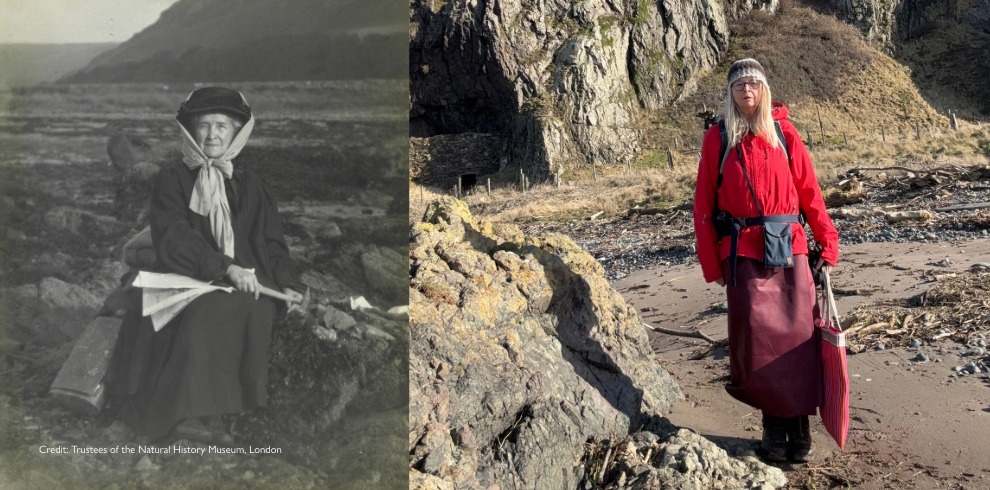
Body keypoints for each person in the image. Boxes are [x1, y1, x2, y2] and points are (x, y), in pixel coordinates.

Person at [107, 87, 303, 445]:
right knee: (207, 308)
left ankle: (223, 412)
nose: (212, 135)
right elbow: (174, 237)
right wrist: (225, 268)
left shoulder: (253, 185)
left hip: (245, 279)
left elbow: (272, 243)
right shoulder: (173, 179)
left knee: (254, 308)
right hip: (185, 274)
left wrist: (287, 282)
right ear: (190, 131)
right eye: (204, 126)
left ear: (236, 132)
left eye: (222, 126)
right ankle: (187, 415)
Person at [692, 59, 839, 463]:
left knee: (799, 343)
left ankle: (800, 430)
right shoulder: (718, 137)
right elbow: (703, 206)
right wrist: (712, 265)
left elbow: (810, 192)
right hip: (741, 253)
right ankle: (774, 430)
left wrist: (827, 243)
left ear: (764, 89)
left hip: (791, 250)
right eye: (739, 84)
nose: (747, 90)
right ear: (730, 92)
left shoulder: (784, 133)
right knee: (757, 347)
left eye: (754, 83)